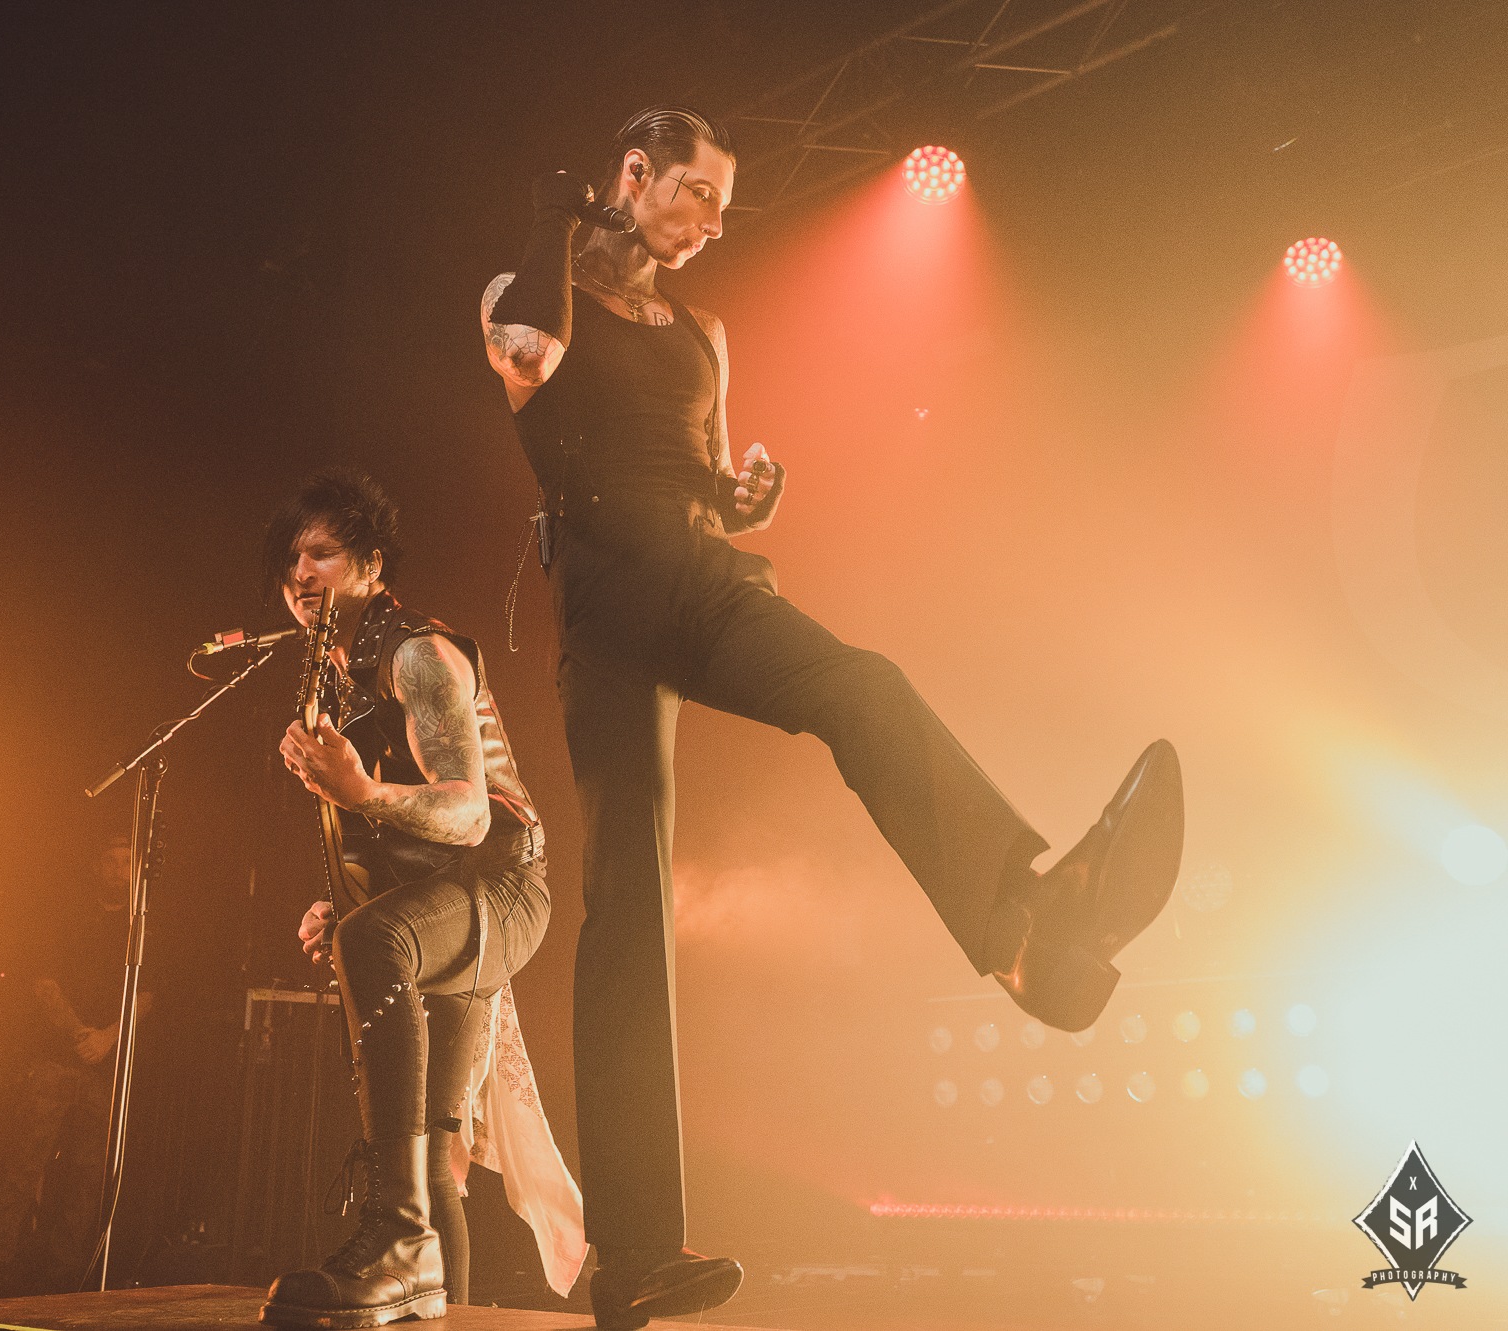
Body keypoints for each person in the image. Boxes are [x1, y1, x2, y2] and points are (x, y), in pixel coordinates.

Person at [480, 105, 1185, 1328]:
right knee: (627, 899)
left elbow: (699, 474)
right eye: (695, 193)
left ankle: (1024, 924)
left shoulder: (702, 333)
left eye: (722, 204)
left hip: (704, 581)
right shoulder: (529, 292)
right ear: (633, 174)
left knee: (863, 685)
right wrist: (554, 218)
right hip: (606, 607)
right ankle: (633, 1256)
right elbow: (527, 358)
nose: (712, 222)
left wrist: (740, 495)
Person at [259, 469, 583, 1328]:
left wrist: (362, 794)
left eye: (321, 553)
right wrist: (339, 903)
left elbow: (470, 813)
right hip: (441, 901)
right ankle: (432, 1286)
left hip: (502, 886)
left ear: (371, 562)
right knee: (439, 1156)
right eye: (289, 560)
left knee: (375, 944)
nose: (300, 573)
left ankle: (396, 1235)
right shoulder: (340, 678)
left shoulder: (417, 655)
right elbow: (385, 844)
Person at [0, 832, 150, 1297]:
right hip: (54, 1061)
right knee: (22, 1167)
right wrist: (80, 1034)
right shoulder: (69, 919)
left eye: (126, 862)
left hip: (106, 1068)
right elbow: (43, 983)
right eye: (110, 860)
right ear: (96, 867)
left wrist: (107, 1038)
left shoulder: (141, 926)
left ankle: (62, 1276)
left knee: (86, 1178)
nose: (118, 870)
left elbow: (147, 994)